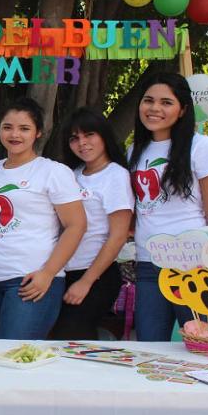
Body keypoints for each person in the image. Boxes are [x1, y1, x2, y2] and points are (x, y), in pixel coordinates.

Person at [0, 98, 87, 340]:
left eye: (24, 128)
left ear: (38, 132)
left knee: (13, 354)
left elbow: (76, 225)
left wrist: (48, 273)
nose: (14, 134)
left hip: (30, 280)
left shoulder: (53, 172)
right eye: (8, 127)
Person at [128, 72, 208, 341]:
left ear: (182, 110)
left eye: (166, 102)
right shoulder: (134, 151)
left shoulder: (201, 146)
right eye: (148, 100)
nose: (155, 108)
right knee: (149, 347)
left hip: (192, 264)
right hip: (149, 263)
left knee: (204, 343)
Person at [52, 108, 134, 340]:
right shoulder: (71, 174)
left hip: (96, 275)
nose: (82, 143)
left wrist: (86, 282)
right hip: (63, 272)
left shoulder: (115, 176)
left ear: (103, 136)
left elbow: (118, 236)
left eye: (89, 135)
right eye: (74, 138)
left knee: (71, 341)